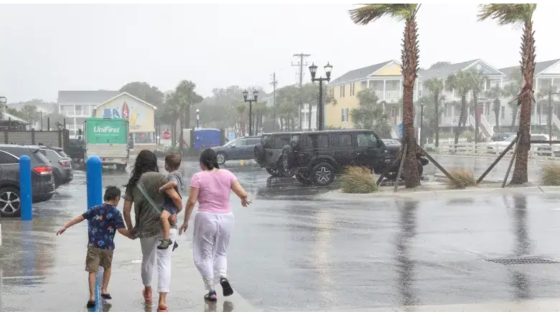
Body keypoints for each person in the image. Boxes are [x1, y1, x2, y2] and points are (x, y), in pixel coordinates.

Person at [179, 148, 250, 302]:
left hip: (206, 217)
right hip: (226, 218)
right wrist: (244, 199)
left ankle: (211, 290)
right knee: (221, 252)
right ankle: (223, 277)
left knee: (204, 255)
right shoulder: (228, 174)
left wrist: (185, 221)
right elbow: (243, 193)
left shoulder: (198, 177)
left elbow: (191, 201)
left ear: (202, 162)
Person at [122, 150, 182, 312]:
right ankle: (162, 300)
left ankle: (148, 290)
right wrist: (176, 212)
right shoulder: (163, 178)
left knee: (147, 260)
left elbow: (126, 210)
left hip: (146, 228)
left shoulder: (133, 183)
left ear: (139, 164)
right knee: (164, 262)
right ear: (154, 162)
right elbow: (176, 199)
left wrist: (131, 229)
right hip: (166, 228)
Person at [56, 186, 132, 308]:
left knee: (92, 271)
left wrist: (65, 226)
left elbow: (79, 218)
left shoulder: (95, 209)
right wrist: (132, 235)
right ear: (117, 198)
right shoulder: (116, 212)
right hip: (108, 247)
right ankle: (104, 290)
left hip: (93, 246)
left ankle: (91, 297)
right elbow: (122, 230)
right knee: (107, 267)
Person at [157, 153, 185, 250]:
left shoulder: (172, 175)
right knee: (170, 219)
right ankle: (174, 242)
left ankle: (166, 240)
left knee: (163, 217)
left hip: (171, 203)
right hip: (174, 203)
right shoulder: (179, 174)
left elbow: (173, 183)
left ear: (167, 165)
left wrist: (162, 188)